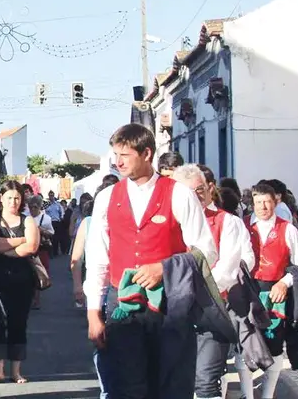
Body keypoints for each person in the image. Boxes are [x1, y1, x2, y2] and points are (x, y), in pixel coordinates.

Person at [84, 124, 217, 399]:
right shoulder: (107, 198)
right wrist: (93, 313)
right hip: (123, 304)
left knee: (171, 384)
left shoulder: (179, 193)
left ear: (147, 153)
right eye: (115, 154)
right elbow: (97, 258)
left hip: (171, 305)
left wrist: (164, 268)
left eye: (125, 154)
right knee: (126, 386)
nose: (117, 162)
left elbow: (207, 250)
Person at [171, 164, 254, 399]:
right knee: (178, 377)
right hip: (175, 311)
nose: (195, 197)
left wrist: (197, 292)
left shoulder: (227, 222)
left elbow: (229, 267)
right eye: (187, 192)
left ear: (209, 189)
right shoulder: (170, 222)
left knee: (206, 380)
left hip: (211, 308)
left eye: (199, 190)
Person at [236, 183, 298, 399]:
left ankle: (267, 395)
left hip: (275, 294)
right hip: (247, 291)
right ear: (251, 203)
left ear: (276, 202)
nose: (263, 207)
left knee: (273, 346)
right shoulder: (242, 226)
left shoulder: (288, 229)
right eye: (258, 202)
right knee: (244, 344)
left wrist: (284, 283)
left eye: (267, 202)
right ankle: (247, 394)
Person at [0, 180, 40, 384]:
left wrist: (7, 247)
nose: (13, 202)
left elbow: (32, 246)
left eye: (17, 197)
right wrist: (21, 240)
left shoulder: (28, 221)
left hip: (22, 280)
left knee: (18, 323)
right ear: (1, 198)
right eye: (9, 197)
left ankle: (16, 371)